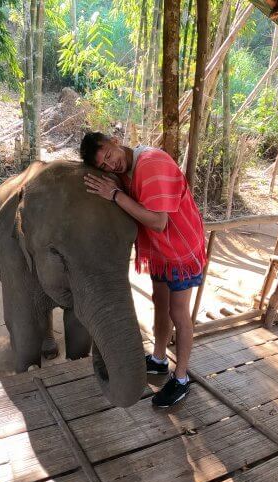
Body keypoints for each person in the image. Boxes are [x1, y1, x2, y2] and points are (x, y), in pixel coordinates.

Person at [81, 132, 206, 408]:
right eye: (102, 166)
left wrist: (114, 195)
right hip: (161, 251)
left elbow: (158, 222)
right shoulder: (128, 169)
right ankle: (159, 360)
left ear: (115, 141)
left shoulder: (150, 163)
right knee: (160, 304)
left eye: (109, 156)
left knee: (178, 313)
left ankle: (182, 378)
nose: (110, 166)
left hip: (181, 248)